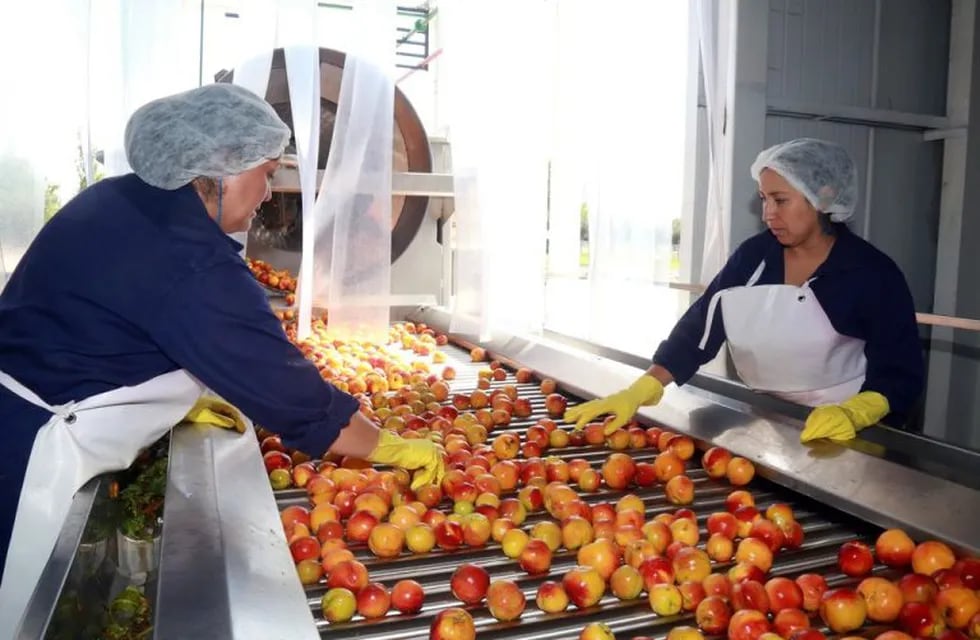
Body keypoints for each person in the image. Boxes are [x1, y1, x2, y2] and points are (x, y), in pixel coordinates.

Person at [0, 83, 443, 632]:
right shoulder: (190, 260)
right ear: (222, 168)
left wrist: (167, 404)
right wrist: (394, 447)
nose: (268, 193)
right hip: (26, 455)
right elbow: (293, 397)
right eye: (267, 172)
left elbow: (108, 329)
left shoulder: (120, 200)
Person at [565, 138, 924, 444]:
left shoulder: (871, 273)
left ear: (824, 198)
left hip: (846, 432)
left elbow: (900, 369)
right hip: (769, 420)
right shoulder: (754, 258)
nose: (768, 214)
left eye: (780, 200)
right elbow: (700, 328)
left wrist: (856, 413)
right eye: (763, 199)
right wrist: (643, 387)